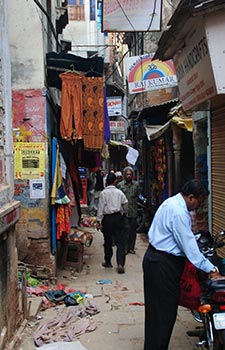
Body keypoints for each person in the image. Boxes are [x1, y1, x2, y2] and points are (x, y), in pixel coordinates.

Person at [142, 179, 222, 350]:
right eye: (199, 202)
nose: (198, 207)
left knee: (156, 313)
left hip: (155, 259)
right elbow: (190, 249)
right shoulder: (178, 212)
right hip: (163, 265)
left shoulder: (170, 202)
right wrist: (211, 269)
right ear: (191, 198)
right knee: (164, 314)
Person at [96, 173, 128, 274]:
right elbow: (125, 203)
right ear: (115, 181)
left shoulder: (103, 193)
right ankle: (120, 263)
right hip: (118, 217)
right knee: (120, 241)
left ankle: (108, 261)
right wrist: (124, 213)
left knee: (108, 241)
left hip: (108, 219)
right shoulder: (119, 192)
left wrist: (98, 221)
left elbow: (100, 208)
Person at [118, 166, 140, 254]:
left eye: (130, 174)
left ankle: (131, 247)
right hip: (124, 212)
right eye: (127, 174)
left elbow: (137, 195)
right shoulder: (120, 185)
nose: (128, 176)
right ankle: (125, 247)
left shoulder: (136, 185)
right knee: (125, 231)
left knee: (133, 231)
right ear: (124, 175)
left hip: (133, 211)